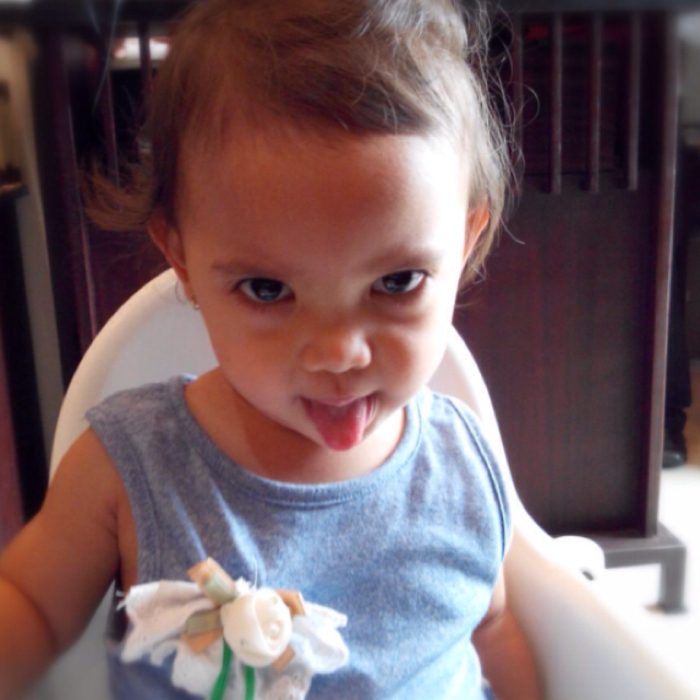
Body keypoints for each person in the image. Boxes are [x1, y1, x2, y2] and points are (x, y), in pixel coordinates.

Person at [0, 1, 540, 698]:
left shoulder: (461, 463)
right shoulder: (130, 468)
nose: (339, 354)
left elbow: (491, 628)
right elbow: (31, 606)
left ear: (463, 245)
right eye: (267, 289)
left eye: (397, 282)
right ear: (183, 260)